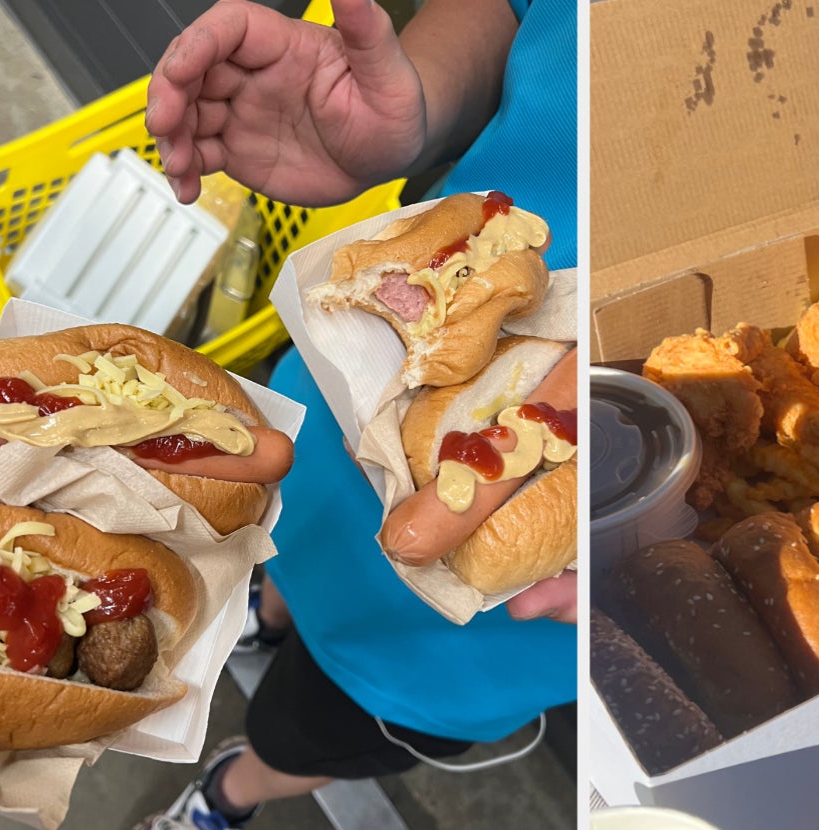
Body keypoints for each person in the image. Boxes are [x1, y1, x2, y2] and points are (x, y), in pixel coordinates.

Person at [136, 0, 577, 827]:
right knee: (280, 549)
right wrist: (417, 107)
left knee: (303, 732)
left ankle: (233, 793)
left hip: (492, 624)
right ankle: (265, 618)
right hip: (353, 381)